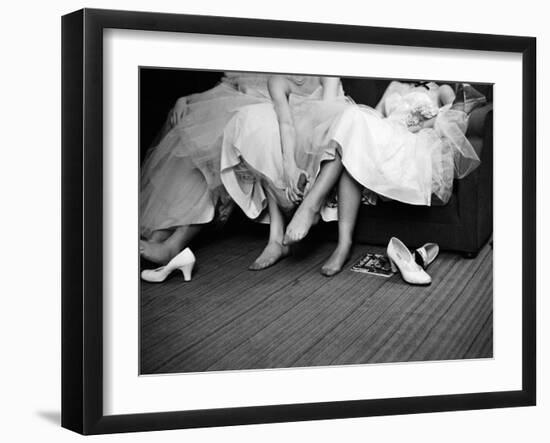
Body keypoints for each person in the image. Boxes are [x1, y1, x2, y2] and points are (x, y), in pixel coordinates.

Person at [320, 81, 484, 276]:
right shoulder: (393, 86)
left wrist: (422, 124)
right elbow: (375, 116)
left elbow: (457, 118)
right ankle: (343, 244)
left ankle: (331, 229)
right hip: (386, 138)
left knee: (354, 150)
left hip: (414, 144)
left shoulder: (441, 89)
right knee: (355, 136)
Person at [139, 72, 274, 265]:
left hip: (268, 107)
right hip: (235, 103)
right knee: (191, 125)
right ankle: (159, 235)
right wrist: (188, 99)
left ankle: (174, 245)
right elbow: (226, 87)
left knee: (214, 141)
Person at [220, 74, 353, 270]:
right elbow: (286, 124)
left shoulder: (326, 71)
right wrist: (290, 168)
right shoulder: (277, 80)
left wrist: (313, 179)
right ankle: (275, 239)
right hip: (298, 132)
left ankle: (311, 207)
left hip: (327, 130)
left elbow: (325, 122)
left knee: (344, 131)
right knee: (271, 136)